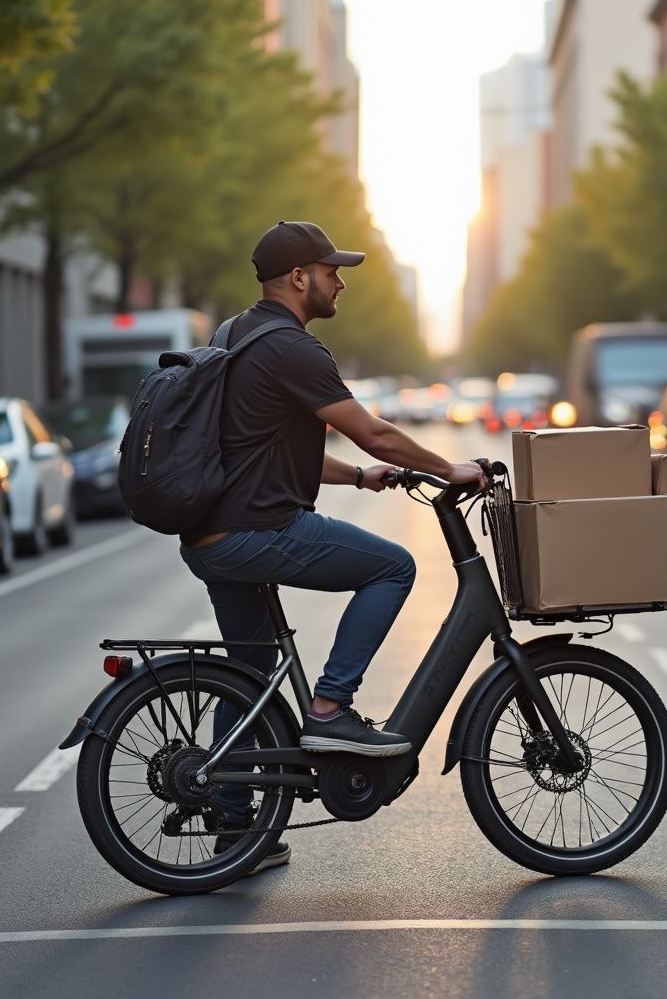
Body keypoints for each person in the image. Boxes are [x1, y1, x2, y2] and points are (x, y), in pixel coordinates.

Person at [179, 220, 487, 868]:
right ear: (299, 278)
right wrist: (449, 469)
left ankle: (237, 832)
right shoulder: (293, 348)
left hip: (213, 534)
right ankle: (330, 706)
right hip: (259, 530)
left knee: (249, 676)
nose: (340, 282)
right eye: (331, 271)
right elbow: (374, 432)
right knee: (393, 567)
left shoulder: (234, 335)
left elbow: (265, 447)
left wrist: (358, 477)